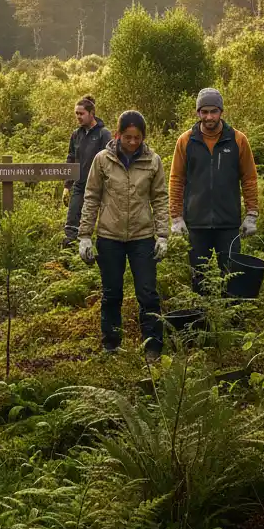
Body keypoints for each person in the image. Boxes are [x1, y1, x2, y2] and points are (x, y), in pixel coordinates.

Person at [78, 110, 168, 362]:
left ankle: (152, 347)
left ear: (143, 137)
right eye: (127, 137)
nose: (132, 142)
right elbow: (91, 196)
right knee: (112, 293)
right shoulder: (102, 160)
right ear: (117, 135)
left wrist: (162, 235)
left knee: (148, 293)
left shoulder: (153, 161)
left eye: (137, 137)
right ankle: (111, 345)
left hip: (142, 236)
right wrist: (84, 234)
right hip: (109, 236)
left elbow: (160, 198)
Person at [168, 88, 260, 295]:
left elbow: (249, 179)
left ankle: (232, 322)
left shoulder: (238, 140)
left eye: (213, 111)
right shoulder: (186, 141)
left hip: (228, 223)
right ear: (198, 113)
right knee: (199, 279)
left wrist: (252, 214)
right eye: (204, 112)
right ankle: (202, 321)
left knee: (231, 276)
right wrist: (176, 217)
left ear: (221, 112)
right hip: (196, 224)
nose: (209, 117)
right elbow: (176, 179)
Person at [62, 96, 111, 247]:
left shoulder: (104, 134)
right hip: (79, 185)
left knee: (103, 223)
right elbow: (71, 159)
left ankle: (98, 253)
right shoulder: (76, 134)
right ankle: (69, 257)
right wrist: (66, 186)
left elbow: (110, 161)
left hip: (100, 187)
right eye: (76, 113)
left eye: (81, 113)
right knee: (72, 222)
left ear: (92, 113)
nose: (78, 117)